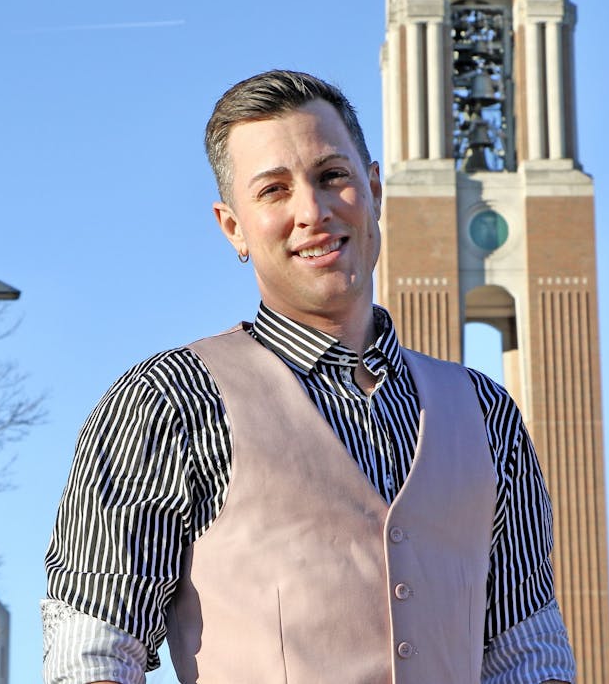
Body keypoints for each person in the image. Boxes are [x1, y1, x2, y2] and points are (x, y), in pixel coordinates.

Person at [42, 69, 575, 684]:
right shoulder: (168, 404)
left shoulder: (487, 417)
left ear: (373, 189)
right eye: (273, 190)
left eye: (333, 176)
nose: (312, 211)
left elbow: (526, 656)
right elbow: (92, 651)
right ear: (233, 227)